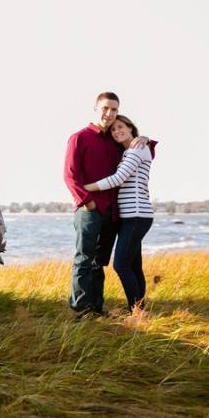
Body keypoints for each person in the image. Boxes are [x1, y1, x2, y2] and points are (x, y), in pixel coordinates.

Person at [63, 92, 151, 317]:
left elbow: (139, 153)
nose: (109, 114)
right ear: (96, 108)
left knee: (98, 263)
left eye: (114, 109)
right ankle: (81, 309)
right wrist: (87, 202)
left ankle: (96, 308)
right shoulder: (79, 138)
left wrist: (146, 139)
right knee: (84, 259)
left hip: (113, 214)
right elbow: (69, 176)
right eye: (105, 108)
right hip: (89, 209)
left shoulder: (114, 141)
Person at [83, 115, 154, 312]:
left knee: (121, 265)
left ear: (131, 127)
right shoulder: (131, 150)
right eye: (113, 130)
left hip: (137, 216)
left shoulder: (137, 148)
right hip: (131, 217)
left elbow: (118, 178)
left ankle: (136, 310)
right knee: (134, 266)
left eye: (120, 127)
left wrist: (86, 188)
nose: (116, 132)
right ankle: (139, 309)